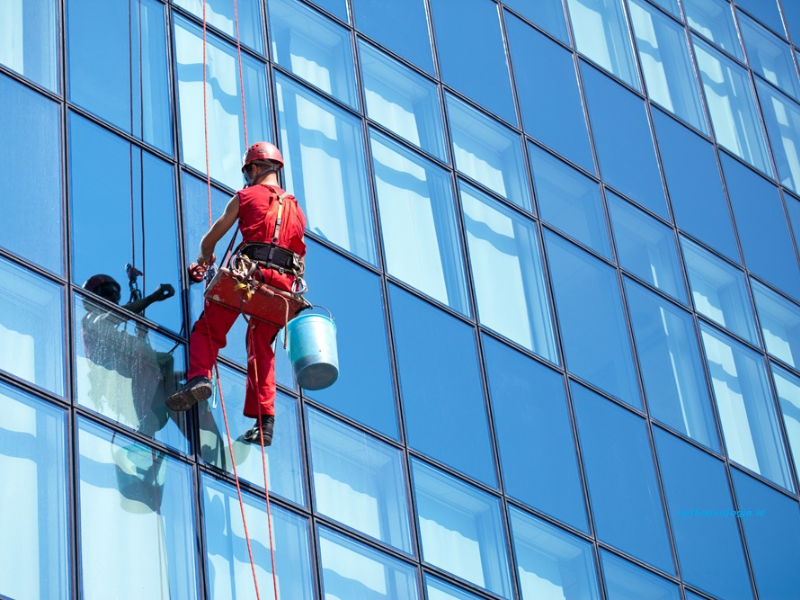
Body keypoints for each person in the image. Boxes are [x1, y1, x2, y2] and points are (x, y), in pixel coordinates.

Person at [166, 141, 307, 446]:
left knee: (208, 329)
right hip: (281, 288)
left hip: (248, 276)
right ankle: (265, 422)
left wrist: (204, 259)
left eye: (248, 172)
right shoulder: (297, 211)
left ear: (254, 168)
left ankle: (199, 377)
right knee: (262, 347)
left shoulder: (245, 197)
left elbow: (210, 239)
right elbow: (299, 254)